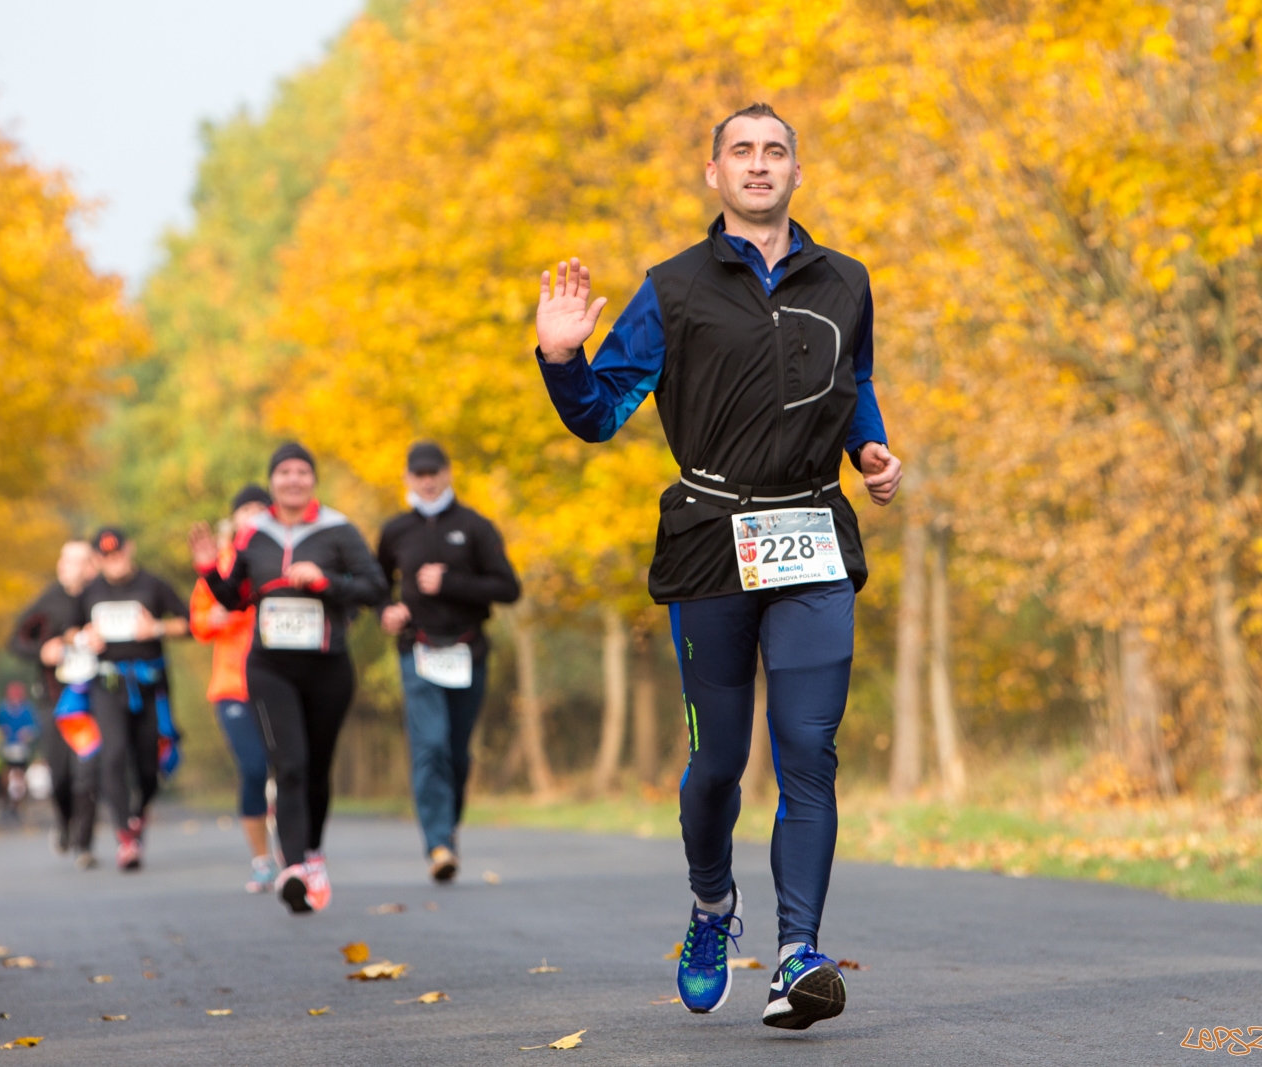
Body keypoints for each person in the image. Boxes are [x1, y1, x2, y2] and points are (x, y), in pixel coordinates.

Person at [532, 103, 904, 1029]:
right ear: (714, 173)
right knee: (718, 763)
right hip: (712, 537)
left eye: (775, 151)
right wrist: (560, 356)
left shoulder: (848, 280)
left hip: (812, 532)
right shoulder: (674, 287)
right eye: (741, 151)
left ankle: (797, 955)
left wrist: (872, 451)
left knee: (809, 751)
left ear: (796, 173)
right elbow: (599, 411)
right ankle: (709, 907)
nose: (759, 164)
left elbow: (851, 383)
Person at [187, 442, 387, 915]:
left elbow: (376, 587)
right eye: (284, 473)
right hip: (269, 667)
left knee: (317, 768)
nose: (293, 480)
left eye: (302, 472)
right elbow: (234, 599)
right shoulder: (253, 533)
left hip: (327, 666)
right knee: (290, 764)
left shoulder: (337, 529)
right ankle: (293, 868)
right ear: (273, 481)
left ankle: (311, 853)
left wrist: (325, 583)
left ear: (312, 480)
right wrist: (205, 569)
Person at [377, 441, 521, 883]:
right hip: (417, 651)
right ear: (406, 478)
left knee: (456, 754)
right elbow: (374, 583)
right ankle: (437, 844)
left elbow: (508, 588)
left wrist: (451, 581)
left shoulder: (475, 527)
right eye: (418, 473)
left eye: (433, 472)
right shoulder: (395, 530)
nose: (426, 480)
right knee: (431, 746)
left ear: (448, 473)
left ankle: (447, 832)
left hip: (467, 652)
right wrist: (387, 609)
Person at [66, 527, 191, 872]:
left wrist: (159, 629)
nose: (113, 560)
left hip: (150, 685)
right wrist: (82, 637)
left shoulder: (153, 585)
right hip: (106, 685)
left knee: (149, 765)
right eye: (105, 555)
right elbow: (69, 629)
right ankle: (125, 835)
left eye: (118, 552)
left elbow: (191, 623)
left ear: (130, 549)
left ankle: (138, 815)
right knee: (113, 753)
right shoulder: (89, 592)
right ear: (96, 558)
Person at [190, 484, 277, 893]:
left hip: (280, 681)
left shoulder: (283, 559)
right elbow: (200, 622)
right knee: (254, 768)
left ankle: (299, 857)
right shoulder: (221, 564)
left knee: (289, 768)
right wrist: (223, 616)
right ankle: (262, 859)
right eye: (247, 509)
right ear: (235, 518)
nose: (255, 515)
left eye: (263, 508)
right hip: (233, 684)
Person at [8, 540, 101, 860]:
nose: (80, 567)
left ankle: (85, 844)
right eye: (72, 560)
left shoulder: (99, 598)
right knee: (60, 775)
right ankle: (64, 822)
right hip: (53, 701)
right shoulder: (47, 603)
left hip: (94, 699)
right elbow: (16, 642)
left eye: (86, 560)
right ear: (62, 565)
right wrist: (43, 651)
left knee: (88, 770)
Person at [0, 681, 39, 820]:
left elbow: (34, 728)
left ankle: (16, 805)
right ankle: (4, 799)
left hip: (21, 748)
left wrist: (28, 733)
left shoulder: (26, 709)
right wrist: (0, 733)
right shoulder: (2, 709)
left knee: (19, 776)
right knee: (6, 774)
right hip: (7, 746)